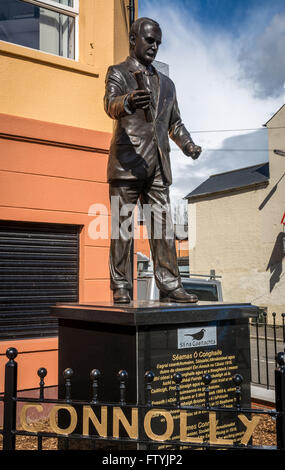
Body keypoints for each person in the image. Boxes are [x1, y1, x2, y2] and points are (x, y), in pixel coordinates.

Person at [104, 17, 201, 304]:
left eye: (158, 42)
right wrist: (129, 101)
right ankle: (121, 286)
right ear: (134, 39)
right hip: (127, 162)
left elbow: (175, 123)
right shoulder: (118, 73)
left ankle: (170, 285)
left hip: (158, 166)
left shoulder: (167, 85)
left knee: (163, 229)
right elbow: (110, 104)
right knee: (122, 230)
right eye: (150, 40)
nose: (155, 46)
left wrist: (188, 145)